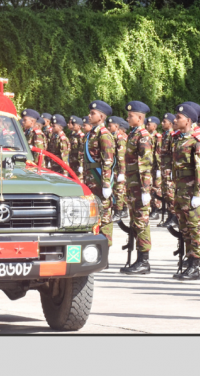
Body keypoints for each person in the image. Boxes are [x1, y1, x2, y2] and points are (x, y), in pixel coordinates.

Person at [171, 102, 200, 281]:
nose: (175, 120)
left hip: (191, 189)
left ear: (189, 120)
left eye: (179, 117)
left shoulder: (197, 140)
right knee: (185, 227)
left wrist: (198, 192)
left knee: (194, 228)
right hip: (180, 189)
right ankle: (189, 260)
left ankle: (195, 265)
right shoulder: (179, 138)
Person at [120, 101, 155, 275]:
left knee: (141, 222)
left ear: (140, 118)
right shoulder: (133, 134)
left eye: (131, 115)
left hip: (139, 186)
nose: (128, 118)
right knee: (135, 221)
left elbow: (146, 164)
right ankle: (139, 259)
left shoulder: (143, 136)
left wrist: (146, 189)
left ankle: (144, 261)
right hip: (132, 185)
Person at [83, 100, 116, 248]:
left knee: (105, 217)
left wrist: (106, 184)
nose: (89, 116)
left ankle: (105, 250)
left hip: (99, 180)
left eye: (92, 114)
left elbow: (108, 161)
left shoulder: (104, 135)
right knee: (94, 214)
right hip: (90, 180)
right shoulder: (91, 134)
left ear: (101, 117)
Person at [158, 113, 178, 227]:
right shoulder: (165, 135)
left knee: (171, 194)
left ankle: (174, 216)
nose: (162, 123)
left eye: (164, 121)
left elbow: (173, 154)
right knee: (166, 193)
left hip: (169, 168)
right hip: (164, 168)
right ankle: (170, 216)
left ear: (170, 123)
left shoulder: (172, 135)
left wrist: (172, 170)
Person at [109, 116, 128, 221]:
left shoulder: (120, 138)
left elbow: (121, 156)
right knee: (116, 190)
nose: (108, 127)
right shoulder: (112, 137)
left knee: (119, 190)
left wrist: (121, 172)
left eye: (110, 125)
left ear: (116, 126)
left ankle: (118, 212)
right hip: (114, 168)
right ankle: (120, 209)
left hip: (119, 168)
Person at [146, 116, 163, 220]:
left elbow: (159, 154)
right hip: (149, 166)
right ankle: (151, 207)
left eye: (149, 124)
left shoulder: (158, 137)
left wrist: (159, 169)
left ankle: (156, 209)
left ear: (155, 126)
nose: (147, 126)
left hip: (155, 166)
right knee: (150, 187)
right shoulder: (147, 136)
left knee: (156, 187)